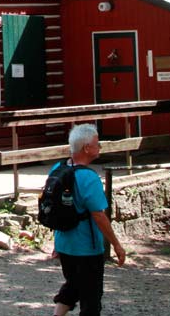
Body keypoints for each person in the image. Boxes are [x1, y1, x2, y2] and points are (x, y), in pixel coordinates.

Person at [51, 123, 126, 316]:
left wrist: (56, 243)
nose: (100, 146)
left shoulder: (57, 169)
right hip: (86, 247)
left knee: (73, 285)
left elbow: (55, 208)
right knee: (91, 300)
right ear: (86, 148)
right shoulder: (89, 178)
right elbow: (99, 215)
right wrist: (116, 245)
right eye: (97, 143)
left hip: (64, 244)